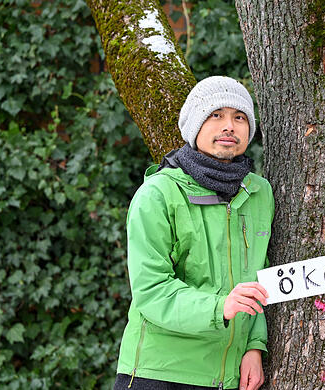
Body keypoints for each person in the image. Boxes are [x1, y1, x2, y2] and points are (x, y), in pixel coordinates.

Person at [113, 76, 273, 390]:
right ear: (194, 126)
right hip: (158, 374)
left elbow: (260, 276)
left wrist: (254, 345)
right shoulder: (157, 194)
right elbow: (152, 290)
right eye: (216, 115)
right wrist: (220, 307)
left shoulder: (259, 193)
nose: (229, 126)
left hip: (227, 377)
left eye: (239, 117)